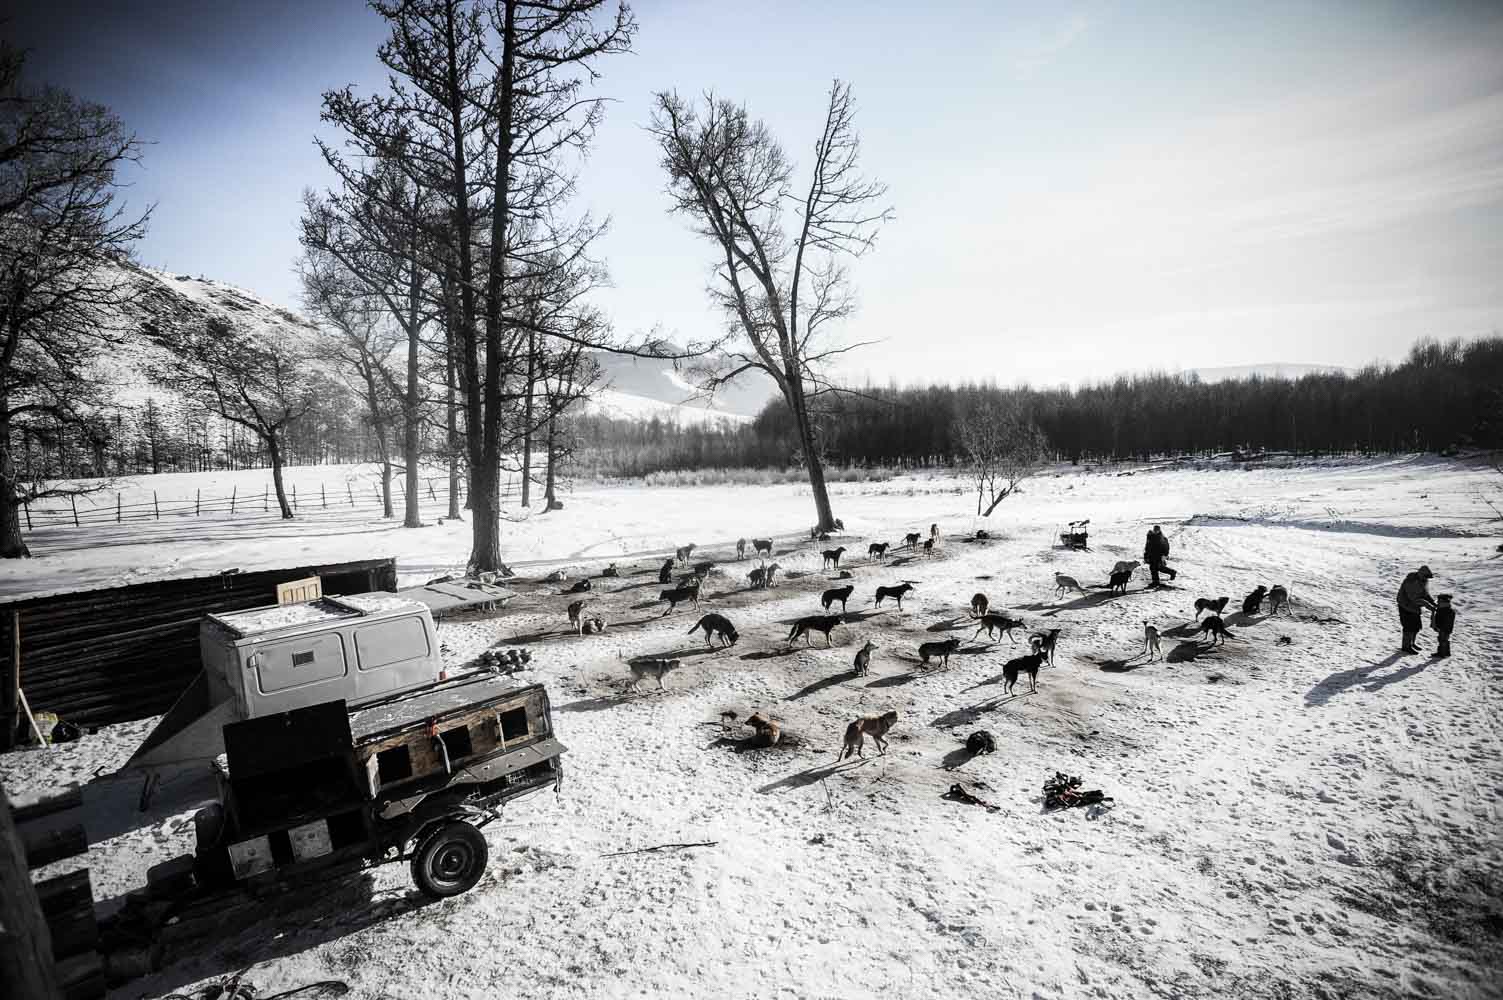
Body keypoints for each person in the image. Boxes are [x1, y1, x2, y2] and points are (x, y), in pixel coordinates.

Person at [1396, 565, 1437, 654]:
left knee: (1416, 627)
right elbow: (1414, 599)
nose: (1427, 579)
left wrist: (1433, 602)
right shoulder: (1411, 582)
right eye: (1426, 577)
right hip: (1405, 606)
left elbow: (1425, 594)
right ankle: (1406, 646)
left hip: (1415, 607)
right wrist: (1429, 606)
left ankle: (1412, 643)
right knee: (1408, 627)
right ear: (1421, 574)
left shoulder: (1423, 581)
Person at [1431, 594, 1455, 659]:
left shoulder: (1447, 611)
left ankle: (1442, 653)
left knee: (1443, 640)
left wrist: (1439, 627)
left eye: (1439, 601)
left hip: (1444, 628)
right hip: (1444, 628)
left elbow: (1445, 621)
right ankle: (1446, 652)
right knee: (1443, 639)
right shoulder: (1442, 609)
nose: (1438, 602)